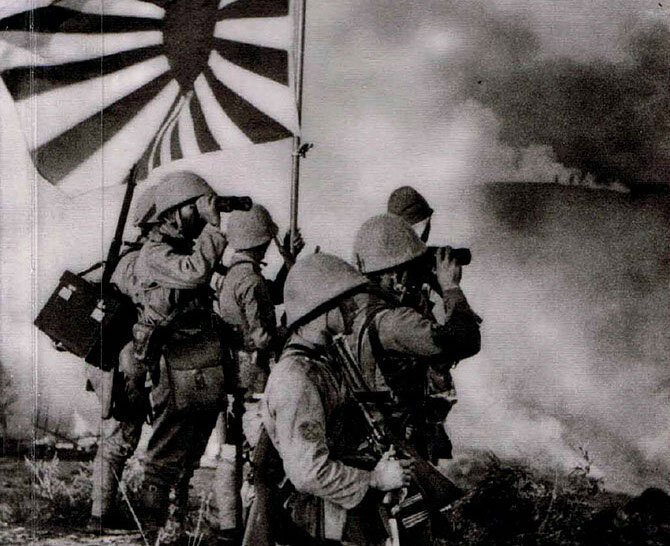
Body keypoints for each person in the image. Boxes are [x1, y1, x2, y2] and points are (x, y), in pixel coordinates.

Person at [248, 253, 413, 546]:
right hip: (312, 523)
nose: (354, 307)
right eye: (346, 301)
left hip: (331, 514)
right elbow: (308, 472)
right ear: (322, 309)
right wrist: (375, 479)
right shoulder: (297, 379)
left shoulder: (321, 361)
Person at [132, 171, 228, 544]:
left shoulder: (182, 249)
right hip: (171, 362)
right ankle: (151, 534)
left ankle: (175, 530)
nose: (200, 215)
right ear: (173, 212)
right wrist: (214, 228)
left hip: (197, 362)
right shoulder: (154, 254)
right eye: (194, 209)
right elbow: (194, 274)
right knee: (164, 456)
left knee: (189, 453)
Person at [350, 214, 481, 463]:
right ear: (395, 276)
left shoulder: (354, 309)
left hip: (370, 440)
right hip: (399, 445)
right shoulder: (396, 323)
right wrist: (450, 287)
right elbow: (466, 340)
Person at [213, 204, 303, 543]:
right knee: (263, 454)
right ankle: (258, 525)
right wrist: (291, 330)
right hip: (254, 378)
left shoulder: (233, 275)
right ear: (259, 241)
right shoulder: (250, 280)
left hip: (232, 373)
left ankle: (228, 526)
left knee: (229, 452)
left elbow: (272, 293)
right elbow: (262, 337)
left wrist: (290, 262)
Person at [86, 185, 156, 533]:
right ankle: (100, 516)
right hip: (123, 364)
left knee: (115, 438)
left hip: (107, 360)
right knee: (120, 439)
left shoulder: (124, 257)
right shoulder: (146, 262)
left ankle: (100, 513)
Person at [388, 186, 469, 461]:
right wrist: (451, 288)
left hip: (417, 387)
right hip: (406, 390)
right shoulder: (395, 279)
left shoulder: (399, 271)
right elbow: (463, 339)